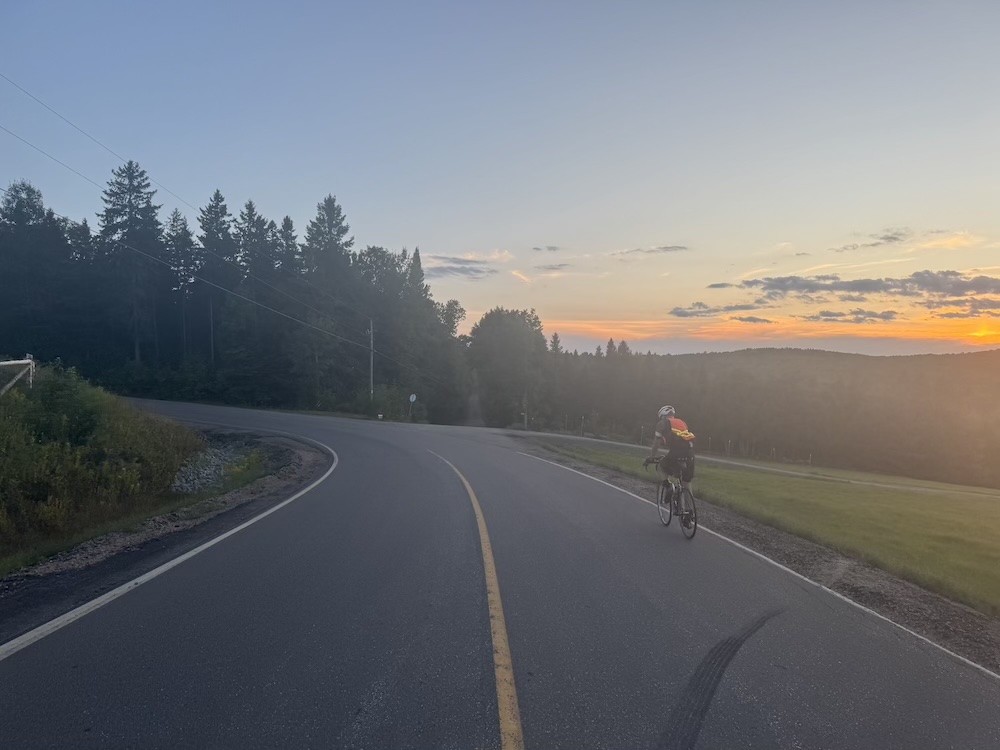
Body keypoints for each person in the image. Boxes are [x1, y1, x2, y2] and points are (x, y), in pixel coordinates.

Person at [644, 405, 696, 484]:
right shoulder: (683, 423)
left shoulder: (662, 423)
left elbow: (656, 443)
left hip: (676, 452)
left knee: (660, 467)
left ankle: (667, 486)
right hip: (690, 452)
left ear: (663, 416)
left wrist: (652, 456)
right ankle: (687, 493)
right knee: (686, 484)